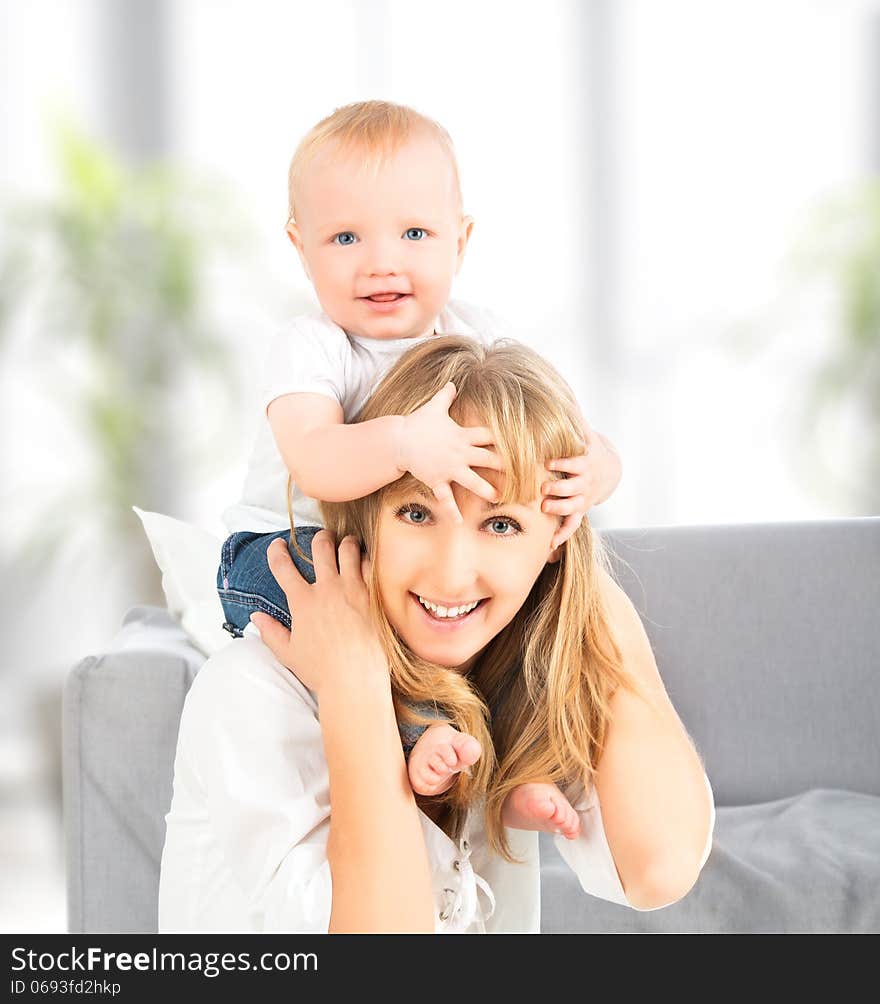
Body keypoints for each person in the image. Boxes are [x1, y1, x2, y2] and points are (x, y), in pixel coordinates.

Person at [159, 335, 715, 933]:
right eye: (417, 514)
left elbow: (658, 867)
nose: (452, 575)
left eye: (501, 523)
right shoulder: (251, 692)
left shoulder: (501, 672)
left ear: (554, 539)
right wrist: (356, 689)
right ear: (367, 516)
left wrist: (583, 599)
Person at [217, 99, 623, 809]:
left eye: (414, 233)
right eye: (345, 238)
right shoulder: (313, 348)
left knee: (504, 601)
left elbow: (558, 431)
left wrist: (597, 469)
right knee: (351, 596)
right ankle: (418, 730)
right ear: (298, 244)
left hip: (404, 557)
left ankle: (519, 765)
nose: (382, 263)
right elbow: (314, 460)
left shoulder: (476, 331)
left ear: (460, 241)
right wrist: (406, 442)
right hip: (288, 553)